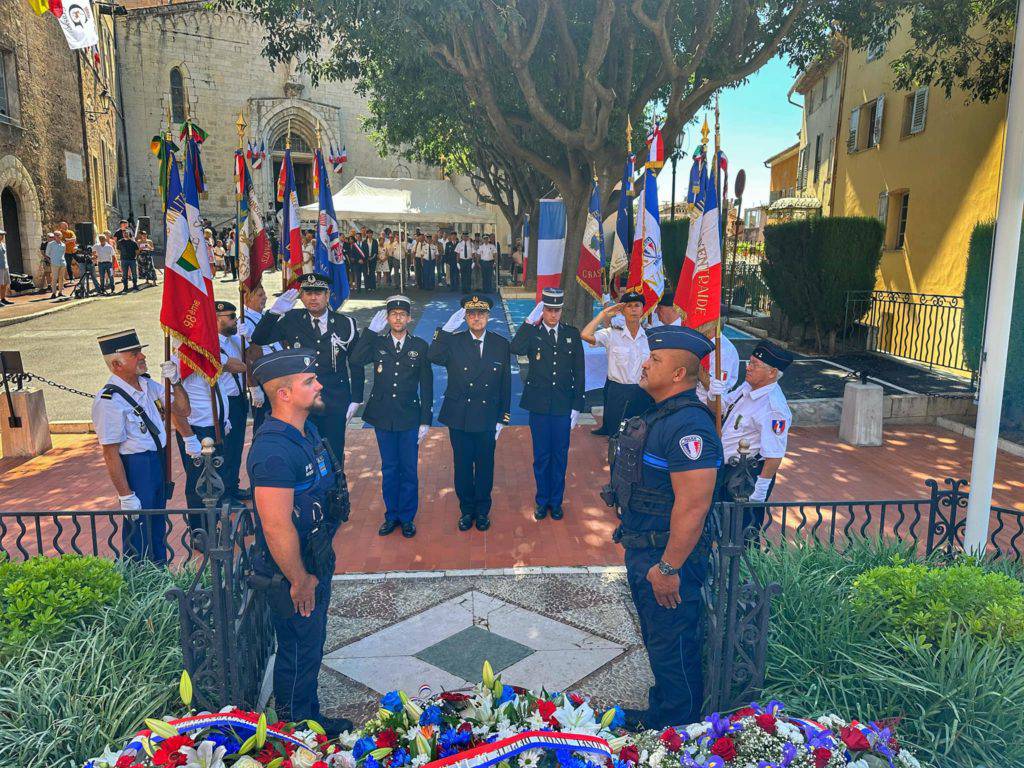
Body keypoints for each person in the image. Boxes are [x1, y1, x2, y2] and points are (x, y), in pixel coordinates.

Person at [607, 325, 723, 730]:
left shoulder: (689, 426)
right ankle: (664, 712)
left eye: (655, 359)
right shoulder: (660, 412)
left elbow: (694, 505)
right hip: (645, 550)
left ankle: (682, 730)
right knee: (660, 641)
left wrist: (669, 568)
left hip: (667, 557)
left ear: (678, 375)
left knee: (673, 644)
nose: (645, 363)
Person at [246, 348, 353, 737]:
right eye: (309, 381)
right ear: (285, 394)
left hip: (315, 558)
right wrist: (299, 579)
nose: (319, 384)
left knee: (310, 644)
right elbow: (276, 527)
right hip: (294, 571)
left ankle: (308, 714)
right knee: (297, 649)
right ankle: (296, 732)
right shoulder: (273, 450)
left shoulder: (305, 430)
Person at [92, 329, 192, 563]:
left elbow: (183, 411)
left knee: (157, 525)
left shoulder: (148, 385)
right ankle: (140, 578)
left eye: (140, 352)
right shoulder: (109, 401)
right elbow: (110, 453)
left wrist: (176, 382)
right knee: (139, 531)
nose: (142, 357)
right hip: (137, 466)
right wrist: (125, 495)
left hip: (157, 460)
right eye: (134, 354)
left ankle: (159, 573)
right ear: (116, 364)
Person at [251, 273, 364, 467]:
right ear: (301, 297)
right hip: (300, 402)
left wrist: (356, 398)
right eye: (308, 293)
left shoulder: (346, 324)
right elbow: (259, 338)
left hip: (335, 400)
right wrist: (273, 313)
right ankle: (310, 495)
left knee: (334, 452)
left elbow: (356, 362)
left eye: (318, 293)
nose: (313, 298)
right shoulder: (291, 320)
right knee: (304, 452)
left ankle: (335, 494)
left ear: (327, 295)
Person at [350, 295, 433, 538]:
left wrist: (425, 419)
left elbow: (426, 386)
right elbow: (355, 359)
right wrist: (369, 333)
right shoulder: (377, 343)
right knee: (389, 468)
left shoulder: (419, 346)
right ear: (387, 318)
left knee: (408, 469)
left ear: (409, 318)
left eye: (402, 314)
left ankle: (407, 517)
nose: (398, 318)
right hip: (383, 416)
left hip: (409, 416)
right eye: (393, 314)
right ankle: (391, 515)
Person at [428, 295, 511, 531]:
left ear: (488, 317)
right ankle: (466, 510)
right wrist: (444, 331)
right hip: (460, 415)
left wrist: (502, 418)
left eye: (481, 314)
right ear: (465, 317)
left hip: (487, 416)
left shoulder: (500, 344)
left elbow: (506, 384)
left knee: (485, 466)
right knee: (463, 466)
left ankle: (482, 511)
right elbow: (432, 356)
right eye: (472, 314)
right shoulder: (454, 341)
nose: (476, 318)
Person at [511, 288, 585, 521]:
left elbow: (579, 373)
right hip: (540, 407)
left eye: (556, 310)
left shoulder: (571, 335)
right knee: (542, 456)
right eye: (549, 310)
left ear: (562, 311)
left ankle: (556, 501)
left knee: (560, 456)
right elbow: (515, 348)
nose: (553, 315)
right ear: (543, 310)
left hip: (563, 406)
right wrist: (528, 321)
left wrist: (577, 406)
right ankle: (542, 501)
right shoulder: (533, 334)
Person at [719, 341, 794, 529]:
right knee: (722, 526)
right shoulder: (748, 387)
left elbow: (774, 454)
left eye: (755, 365)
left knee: (743, 532)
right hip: (727, 469)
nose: (749, 368)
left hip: (746, 476)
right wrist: (714, 394)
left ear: (772, 373)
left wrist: (760, 489)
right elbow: (721, 409)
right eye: (749, 362)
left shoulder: (773, 408)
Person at [581, 291, 654, 436]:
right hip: (619, 392)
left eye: (637, 306)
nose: (633, 309)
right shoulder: (611, 334)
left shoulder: (651, 335)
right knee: (616, 435)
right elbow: (585, 335)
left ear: (643, 310)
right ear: (622, 310)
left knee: (642, 435)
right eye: (629, 306)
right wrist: (603, 314)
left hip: (643, 391)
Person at [215, 301, 251, 505]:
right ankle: (224, 494)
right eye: (231, 317)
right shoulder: (212, 343)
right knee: (226, 449)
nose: (235, 321)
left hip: (238, 399)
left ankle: (232, 486)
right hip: (224, 401)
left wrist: (247, 340)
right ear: (217, 320)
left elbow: (251, 358)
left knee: (236, 447)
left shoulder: (234, 340)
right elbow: (239, 366)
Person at [237, 282, 278, 432]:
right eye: (260, 295)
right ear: (247, 298)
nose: (265, 298)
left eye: (264, 294)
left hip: (275, 376)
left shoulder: (263, 316)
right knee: (263, 425)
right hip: (262, 379)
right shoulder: (244, 322)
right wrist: (254, 387)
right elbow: (247, 358)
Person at [46, 231, 66, 298]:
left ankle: (60, 292)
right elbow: (47, 253)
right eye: (56, 235)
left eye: (59, 235)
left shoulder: (63, 244)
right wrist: (52, 259)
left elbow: (63, 253)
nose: (57, 236)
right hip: (55, 263)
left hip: (62, 262)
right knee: (54, 278)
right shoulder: (50, 244)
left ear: (61, 236)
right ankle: (54, 293)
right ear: (54, 236)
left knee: (61, 278)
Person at [0, 229, 10, 305]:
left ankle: (3, 298)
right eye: (1, 235)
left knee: (5, 284)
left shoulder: (3, 244)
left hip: (5, 266)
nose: (2, 236)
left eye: (3, 235)